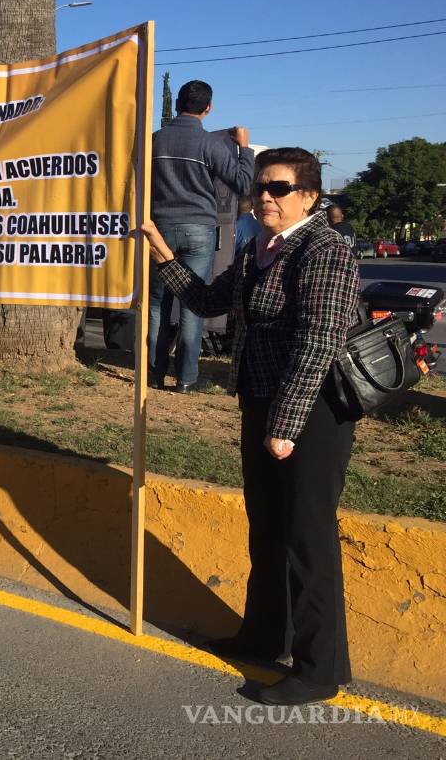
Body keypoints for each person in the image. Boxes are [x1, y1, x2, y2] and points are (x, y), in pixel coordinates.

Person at [141, 147, 360, 706]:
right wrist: (160, 248)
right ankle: (265, 636)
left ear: (309, 196)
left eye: (279, 188)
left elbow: (318, 342)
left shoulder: (326, 249)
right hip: (261, 401)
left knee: (307, 537)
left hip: (311, 412)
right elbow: (208, 300)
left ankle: (320, 669)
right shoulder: (254, 249)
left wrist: (285, 425)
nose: (265, 196)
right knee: (265, 528)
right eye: (260, 187)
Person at [148, 79, 255, 393]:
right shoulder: (211, 144)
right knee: (193, 303)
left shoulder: (155, 140)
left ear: (178, 104)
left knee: (158, 305)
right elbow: (243, 184)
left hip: (159, 229)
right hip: (199, 228)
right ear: (208, 108)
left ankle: (153, 374)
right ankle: (186, 378)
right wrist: (244, 148)